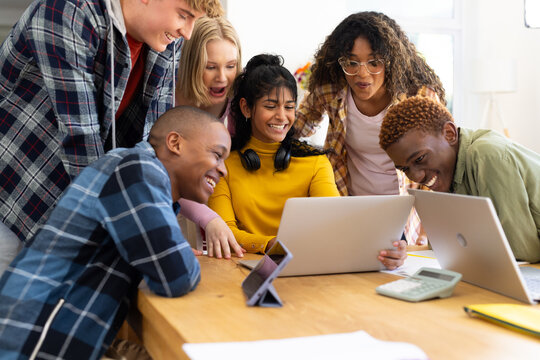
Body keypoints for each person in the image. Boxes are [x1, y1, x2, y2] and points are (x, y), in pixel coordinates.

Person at [0, 106, 231, 359]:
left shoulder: (135, 171)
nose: (223, 170)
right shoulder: (138, 169)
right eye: (217, 155)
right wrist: (177, 253)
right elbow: (175, 276)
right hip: (31, 340)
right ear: (175, 143)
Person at [0, 0, 223, 250]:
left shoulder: (168, 42)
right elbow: (81, 139)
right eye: (184, 15)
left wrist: (164, 233)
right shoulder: (70, 10)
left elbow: (159, 149)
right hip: (11, 201)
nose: (188, 32)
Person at [294, 11, 445, 249]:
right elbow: (294, 127)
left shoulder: (419, 97)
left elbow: (444, 160)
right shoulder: (333, 92)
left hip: (404, 214)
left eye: (374, 62)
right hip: (350, 209)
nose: (362, 74)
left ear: (391, 61)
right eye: (352, 63)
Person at [379, 95, 540, 263]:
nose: (416, 176)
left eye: (419, 159)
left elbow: (523, 250)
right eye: (405, 169)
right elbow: (443, 248)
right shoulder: (447, 174)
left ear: (449, 134)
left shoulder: (487, 156)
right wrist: (401, 253)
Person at [208, 54, 340, 253]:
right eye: (270, 106)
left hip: (304, 264)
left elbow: (335, 223)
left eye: (289, 107)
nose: (282, 116)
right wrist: (271, 245)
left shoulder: (316, 163)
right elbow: (225, 231)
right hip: (242, 267)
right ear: (246, 108)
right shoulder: (222, 165)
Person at [175, 16, 245, 259]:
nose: (223, 78)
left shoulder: (233, 100)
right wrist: (209, 219)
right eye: (211, 66)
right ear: (193, 64)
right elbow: (168, 178)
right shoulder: (169, 101)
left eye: (230, 65)